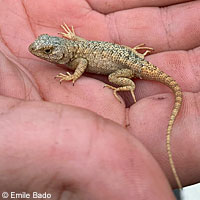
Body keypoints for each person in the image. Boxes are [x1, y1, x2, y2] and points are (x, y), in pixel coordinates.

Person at [0, 0, 199, 199]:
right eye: (46, 49)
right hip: (127, 54)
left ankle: (128, 85)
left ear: (61, 50)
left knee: (113, 78)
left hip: (129, 66)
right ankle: (135, 57)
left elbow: (83, 61)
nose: (40, 51)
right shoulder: (74, 48)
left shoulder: (75, 56)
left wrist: (73, 76)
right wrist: (72, 38)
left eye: (47, 50)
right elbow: (82, 45)